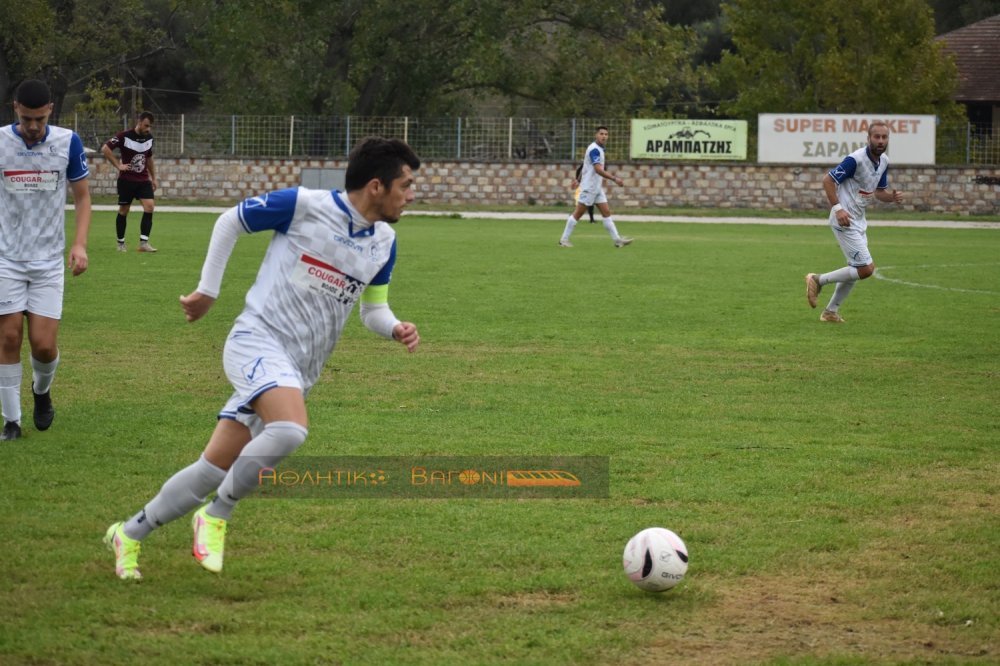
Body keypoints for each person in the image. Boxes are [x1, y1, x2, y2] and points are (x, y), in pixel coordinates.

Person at [104, 136, 421, 580]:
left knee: (210, 468)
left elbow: (373, 310)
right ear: (375, 186)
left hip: (297, 370)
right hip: (256, 340)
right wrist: (208, 291)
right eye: (405, 185)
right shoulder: (305, 205)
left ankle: (129, 534)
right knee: (290, 430)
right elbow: (230, 220)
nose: (411, 195)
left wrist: (395, 327)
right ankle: (217, 515)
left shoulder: (384, 242)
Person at [0, 79, 91, 441]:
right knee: (8, 337)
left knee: (42, 344)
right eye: (26, 119)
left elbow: (83, 199)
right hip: (6, 258)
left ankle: (42, 392)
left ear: (50, 110)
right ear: (15, 108)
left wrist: (80, 245)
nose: (33, 126)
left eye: (39, 118)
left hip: (48, 262)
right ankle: (11, 422)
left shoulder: (68, 142)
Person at [805, 121, 904, 322]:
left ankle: (830, 312)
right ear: (868, 139)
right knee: (866, 269)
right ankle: (817, 280)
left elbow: (879, 192)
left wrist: (891, 198)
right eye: (876, 137)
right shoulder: (855, 160)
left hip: (858, 221)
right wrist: (838, 208)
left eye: (884, 137)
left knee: (855, 269)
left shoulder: (883, 161)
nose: (880, 141)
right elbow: (828, 180)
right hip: (844, 220)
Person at [559, 126, 632, 248]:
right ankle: (564, 240)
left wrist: (578, 180)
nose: (604, 136)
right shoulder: (595, 150)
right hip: (590, 188)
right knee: (578, 214)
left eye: (606, 134)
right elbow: (598, 169)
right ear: (596, 135)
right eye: (601, 133)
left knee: (606, 212)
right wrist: (615, 179)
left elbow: (584, 166)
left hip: (596, 188)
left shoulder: (598, 149)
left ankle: (617, 240)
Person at [102, 111, 158, 252]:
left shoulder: (149, 138)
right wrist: (118, 165)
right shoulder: (123, 136)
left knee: (150, 206)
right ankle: (121, 244)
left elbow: (149, 159)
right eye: (146, 125)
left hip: (143, 180)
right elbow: (105, 149)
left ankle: (143, 244)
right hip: (126, 181)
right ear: (139, 122)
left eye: (150, 126)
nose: (148, 129)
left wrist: (154, 177)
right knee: (124, 210)